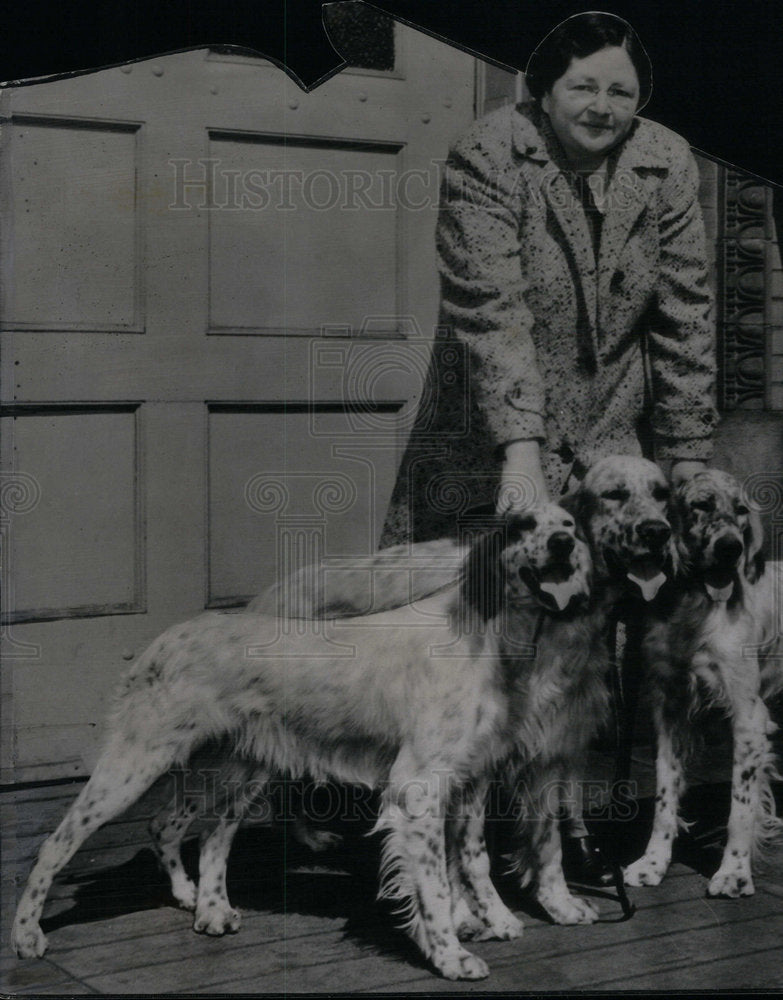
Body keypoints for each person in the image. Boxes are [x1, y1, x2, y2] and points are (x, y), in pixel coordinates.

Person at [380, 12, 718, 882]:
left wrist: (682, 455)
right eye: (584, 86)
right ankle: (443, 835)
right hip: (489, 428)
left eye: (621, 90)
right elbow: (492, 314)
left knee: (580, 638)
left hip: (608, 426)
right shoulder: (488, 155)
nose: (603, 106)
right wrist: (521, 453)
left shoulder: (667, 161)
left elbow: (685, 317)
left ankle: (551, 831)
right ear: (542, 88)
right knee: (470, 628)